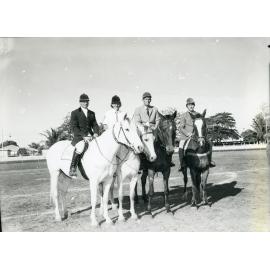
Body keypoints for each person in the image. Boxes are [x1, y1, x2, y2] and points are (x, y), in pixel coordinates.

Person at [133, 91, 175, 167]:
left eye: (149, 99)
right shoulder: (138, 109)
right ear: (143, 100)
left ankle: (168, 159)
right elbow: (137, 121)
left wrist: (155, 127)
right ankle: (140, 160)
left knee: (164, 138)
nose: (148, 101)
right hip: (142, 129)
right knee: (138, 142)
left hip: (153, 128)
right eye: (146, 99)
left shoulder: (155, 109)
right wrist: (145, 125)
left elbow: (158, 119)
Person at [178, 97, 216, 171]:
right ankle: (182, 163)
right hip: (186, 136)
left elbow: (203, 125)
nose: (191, 106)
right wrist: (187, 133)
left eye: (192, 105)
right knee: (181, 146)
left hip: (198, 135)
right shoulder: (183, 115)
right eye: (189, 105)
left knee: (209, 143)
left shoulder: (198, 114)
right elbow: (181, 128)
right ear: (187, 106)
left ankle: (210, 160)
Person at [69, 93, 100, 178]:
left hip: (91, 136)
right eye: (83, 102)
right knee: (80, 147)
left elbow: (95, 125)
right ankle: (72, 168)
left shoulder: (92, 113)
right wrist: (83, 136)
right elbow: (74, 127)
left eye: (87, 101)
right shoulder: (74, 113)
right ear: (80, 102)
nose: (85, 103)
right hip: (79, 137)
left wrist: (96, 132)